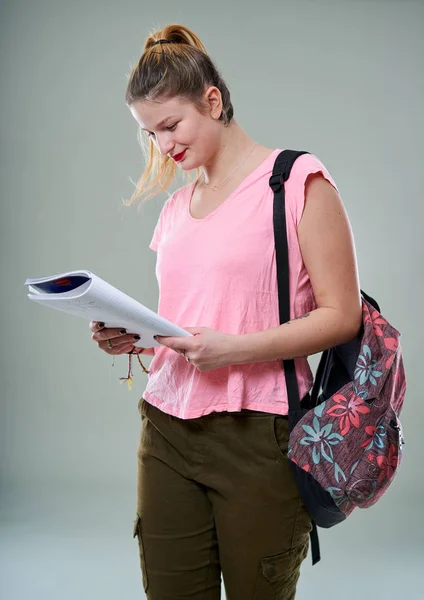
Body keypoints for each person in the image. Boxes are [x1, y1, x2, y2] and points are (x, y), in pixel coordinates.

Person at [89, 23, 362, 600]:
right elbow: (191, 323)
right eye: (149, 134)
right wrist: (135, 337)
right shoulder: (176, 207)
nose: (163, 146)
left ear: (212, 101)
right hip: (165, 428)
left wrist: (233, 349)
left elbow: (343, 315)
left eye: (170, 125)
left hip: (260, 433)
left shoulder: (295, 183)